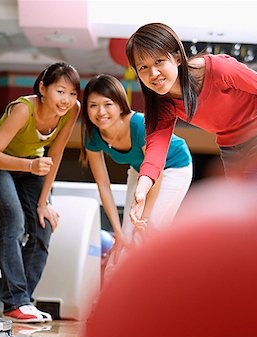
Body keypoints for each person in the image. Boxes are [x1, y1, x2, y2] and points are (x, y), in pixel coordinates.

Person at [125, 23, 257, 225]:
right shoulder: (162, 104)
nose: (153, 73)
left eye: (159, 61)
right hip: (231, 149)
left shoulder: (218, 69)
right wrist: (141, 189)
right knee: (241, 216)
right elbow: (155, 152)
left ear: (176, 57)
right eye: (143, 67)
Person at [0, 62, 81, 322]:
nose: (66, 100)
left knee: (43, 226)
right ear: (43, 89)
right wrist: (30, 165)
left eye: (72, 93)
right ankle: (16, 301)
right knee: (14, 222)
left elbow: (55, 156)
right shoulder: (23, 109)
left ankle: (22, 302)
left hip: (32, 169)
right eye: (60, 91)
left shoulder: (71, 111)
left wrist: (43, 202)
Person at [81, 73, 193, 263]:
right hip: (139, 170)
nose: (101, 112)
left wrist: (146, 218)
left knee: (146, 231)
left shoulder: (139, 125)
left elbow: (156, 171)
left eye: (108, 104)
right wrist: (117, 231)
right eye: (93, 105)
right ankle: (116, 288)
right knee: (125, 236)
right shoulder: (92, 135)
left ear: (120, 104)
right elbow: (103, 184)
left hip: (172, 167)